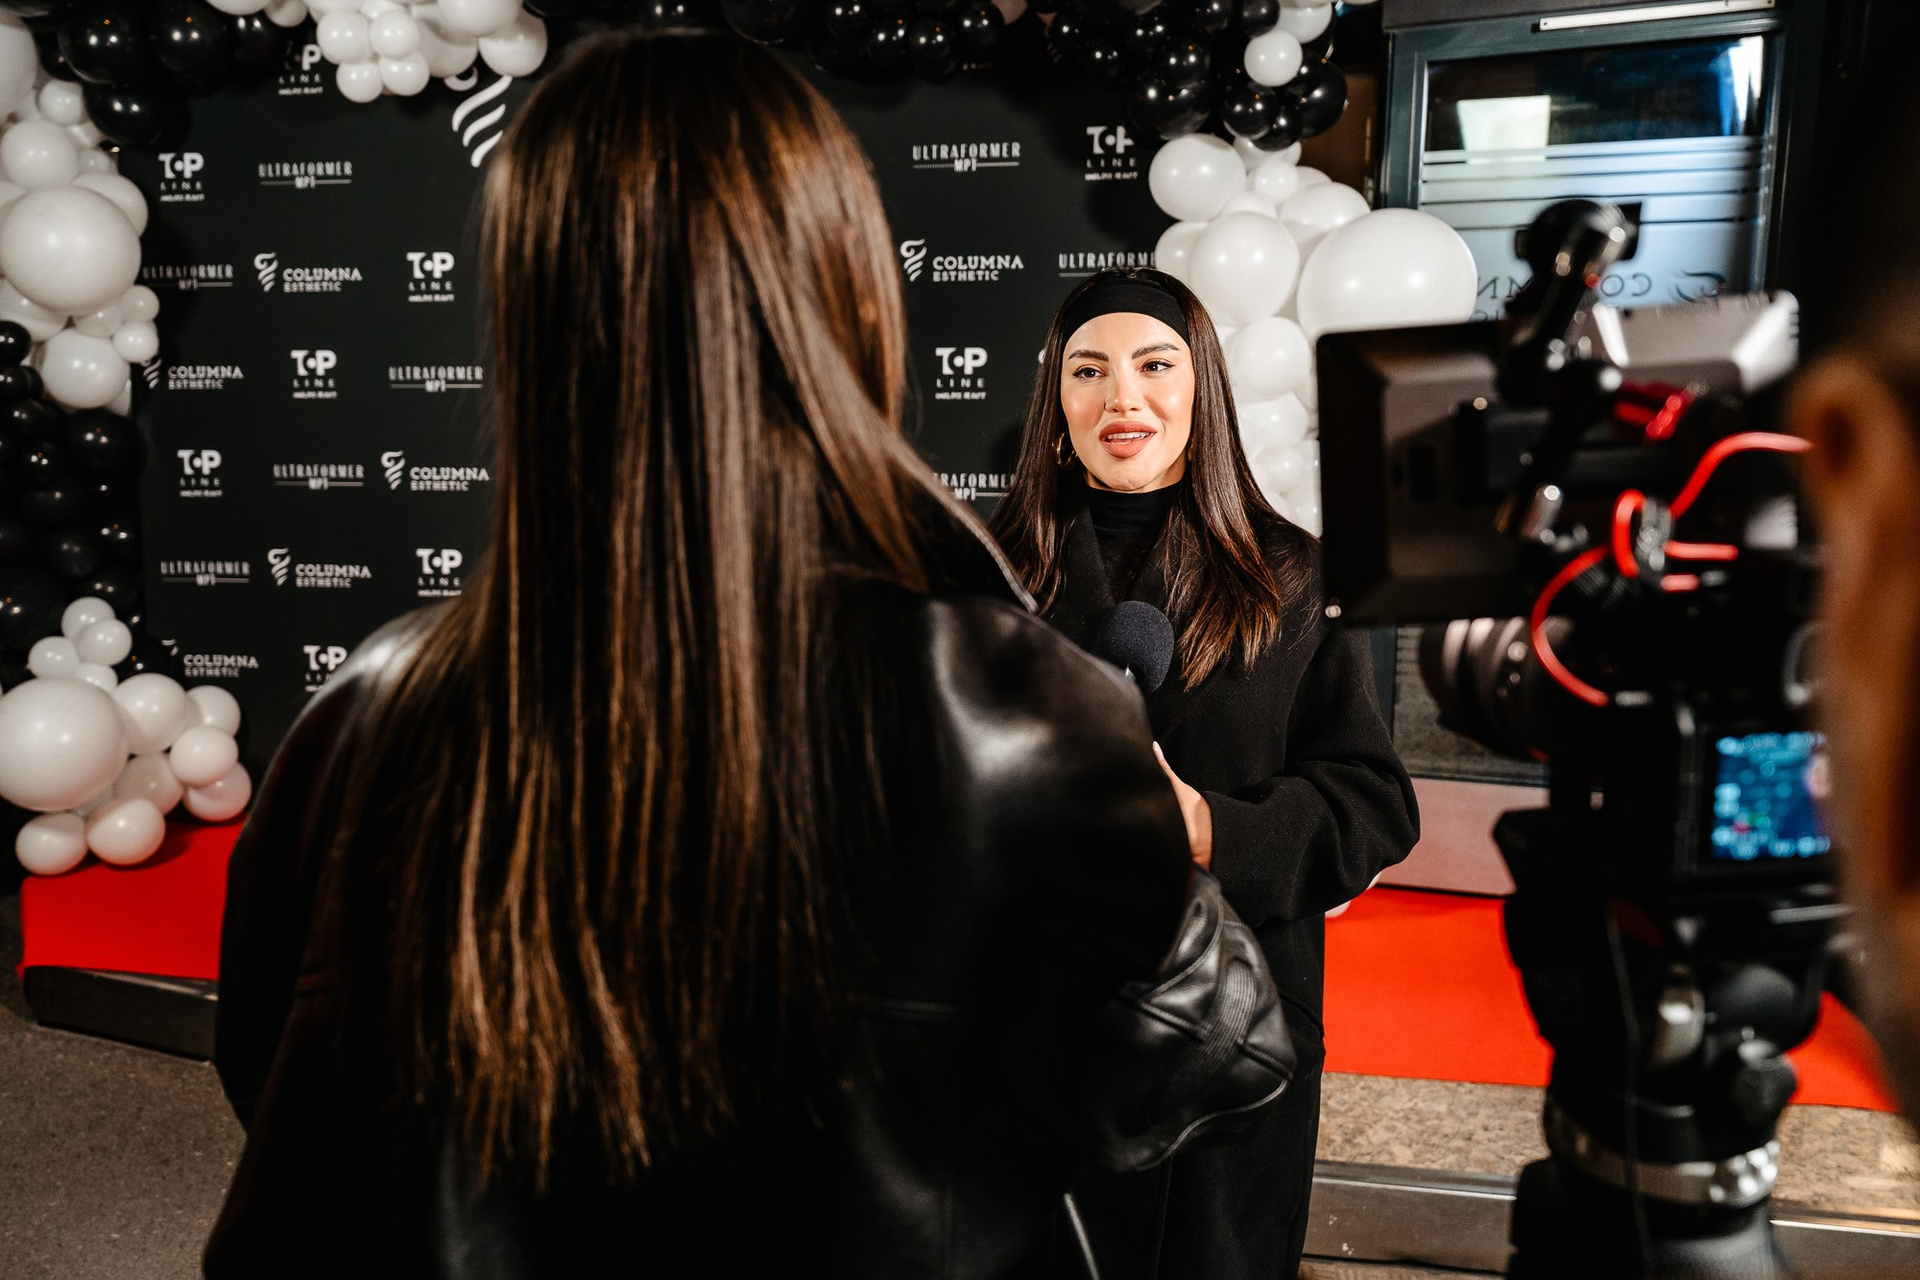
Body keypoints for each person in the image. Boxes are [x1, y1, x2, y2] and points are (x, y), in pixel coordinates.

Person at [204, 33, 1289, 1279]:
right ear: (850, 297)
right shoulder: (1010, 701)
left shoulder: (366, 711)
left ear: (530, 318)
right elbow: (1216, 1052)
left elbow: (276, 1083)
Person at [989, 267, 1421, 1280]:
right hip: (1032, 1032)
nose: (1122, 397)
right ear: (1056, 403)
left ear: (1202, 391)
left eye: (1154, 365)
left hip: (1228, 1032)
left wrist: (1211, 828)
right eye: (1088, 370)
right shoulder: (989, 576)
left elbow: (1373, 802)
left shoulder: (1293, 576)